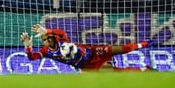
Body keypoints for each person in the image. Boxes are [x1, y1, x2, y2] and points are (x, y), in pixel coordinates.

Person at [20, 24, 155, 72]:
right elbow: (32, 58)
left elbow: (61, 32)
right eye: (44, 40)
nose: (47, 40)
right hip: (87, 65)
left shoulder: (61, 39)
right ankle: (145, 70)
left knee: (121, 49)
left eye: (48, 37)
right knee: (113, 73)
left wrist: (47, 30)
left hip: (94, 51)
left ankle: (144, 44)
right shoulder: (46, 52)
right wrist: (28, 47)